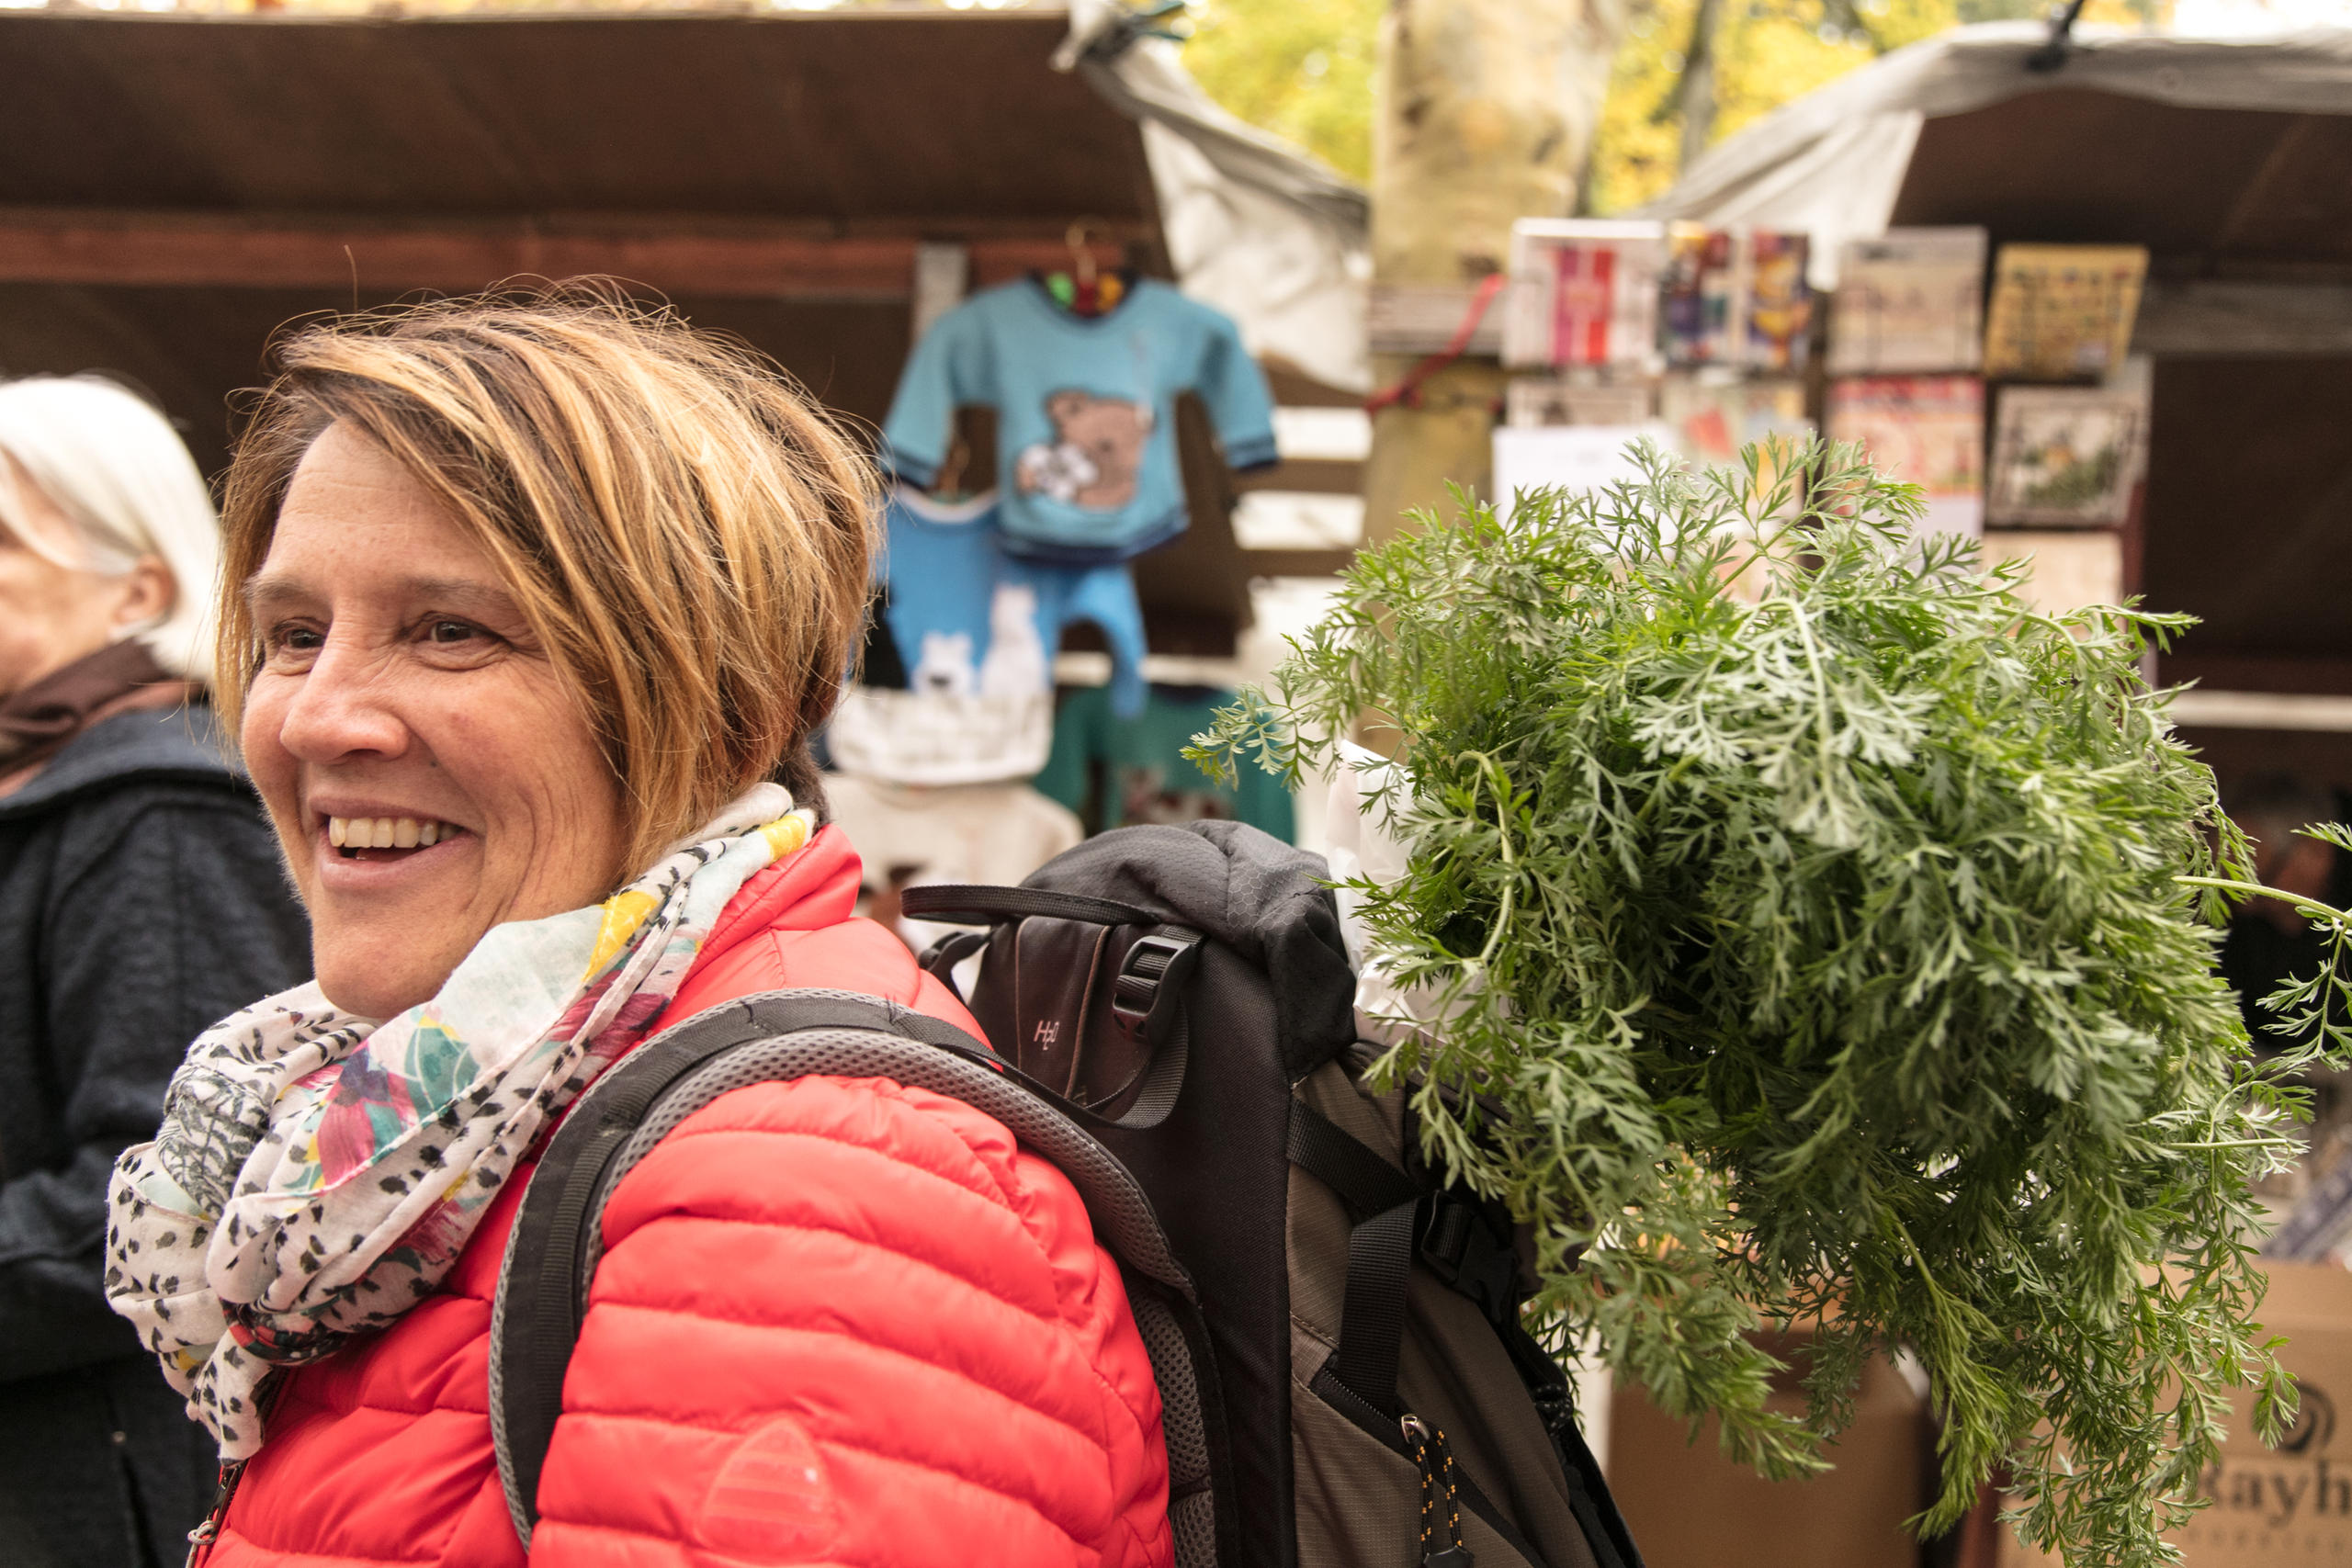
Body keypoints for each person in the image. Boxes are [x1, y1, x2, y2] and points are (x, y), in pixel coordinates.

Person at [104, 290, 1171, 1568]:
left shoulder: (803, 1200)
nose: (318, 718)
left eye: (450, 631)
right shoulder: (451, 1114)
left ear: (717, 706)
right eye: (294, 634)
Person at [0, 376, 311, 1567]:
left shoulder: (159, 817)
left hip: (94, 1489)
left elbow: (175, 1192)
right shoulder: (45, 798)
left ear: (138, 586)